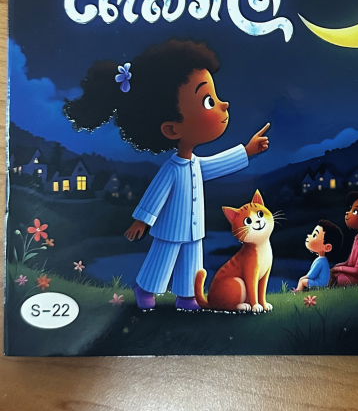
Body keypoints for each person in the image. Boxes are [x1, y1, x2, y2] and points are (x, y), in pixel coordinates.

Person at [64, 38, 269, 311]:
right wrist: (142, 220)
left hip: (194, 229)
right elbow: (156, 194)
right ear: (172, 129)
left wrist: (247, 151)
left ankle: (187, 296)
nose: (224, 104)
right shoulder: (172, 168)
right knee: (162, 260)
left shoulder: (195, 164)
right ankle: (145, 288)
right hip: (170, 228)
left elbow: (214, 165)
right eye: (208, 101)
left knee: (192, 263)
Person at [293, 220, 343, 292]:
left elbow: (311, 275)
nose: (308, 235)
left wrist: (303, 278)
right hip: (320, 282)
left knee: (303, 281)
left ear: (327, 247)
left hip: (320, 284)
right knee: (303, 280)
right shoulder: (321, 260)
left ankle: (297, 292)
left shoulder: (321, 261)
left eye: (314, 235)